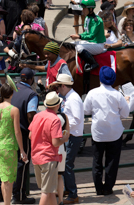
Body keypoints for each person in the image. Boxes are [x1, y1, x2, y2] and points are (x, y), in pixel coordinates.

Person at [83, 66, 129, 196]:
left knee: (97, 161)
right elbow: (125, 113)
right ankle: (108, 187)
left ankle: (98, 188)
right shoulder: (117, 95)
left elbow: (85, 110)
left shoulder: (92, 93)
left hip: (98, 132)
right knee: (112, 161)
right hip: (115, 132)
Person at [47, 74, 83, 205]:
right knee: (66, 164)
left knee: (67, 165)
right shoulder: (70, 97)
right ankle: (69, 190)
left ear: (63, 86)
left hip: (73, 135)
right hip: (71, 135)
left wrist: (63, 127)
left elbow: (77, 118)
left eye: (58, 86)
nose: (57, 89)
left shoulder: (72, 99)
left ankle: (73, 194)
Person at [0, 83, 27, 205]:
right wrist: (22, 150)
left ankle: (6, 203)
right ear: (11, 94)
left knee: (4, 178)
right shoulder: (14, 110)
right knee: (9, 180)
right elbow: (17, 131)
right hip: (9, 147)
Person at [28, 91, 69, 205]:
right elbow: (56, 142)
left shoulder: (37, 116)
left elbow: (30, 135)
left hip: (36, 156)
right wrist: (64, 138)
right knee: (46, 192)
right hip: (49, 157)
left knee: (49, 191)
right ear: (58, 105)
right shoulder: (55, 119)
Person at [11, 68, 39, 204]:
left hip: (9, 131)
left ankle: (3, 191)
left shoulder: (13, 89)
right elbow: (31, 114)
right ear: (31, 79)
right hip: (23, 132)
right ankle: (19, 196)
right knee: (23, 162)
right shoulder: (31, 94)